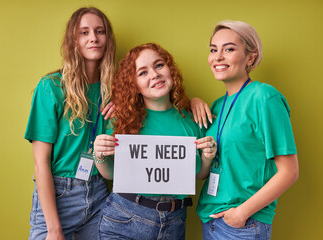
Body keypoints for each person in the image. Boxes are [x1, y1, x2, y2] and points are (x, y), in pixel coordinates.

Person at [92, 43, 217, 240]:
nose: (154, 75)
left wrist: (208, 158)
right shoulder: (121, 120)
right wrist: (98, 154)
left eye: (159, 65)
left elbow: (199, 175)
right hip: (125, 218)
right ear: (134, 85)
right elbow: (111, 174)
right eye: (142, 73)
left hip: (174, 222)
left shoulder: (193, 120)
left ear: (170, 70)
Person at [196, 20, 299, 240]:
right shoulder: (215, 106)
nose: (218, 57)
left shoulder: (264, 97)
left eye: (229, 49)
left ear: (250, 57)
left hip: (243, 224)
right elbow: (204, 172)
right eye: (213, 50)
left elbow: (289, 171)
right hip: (211, 219)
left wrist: (241, 214)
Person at [24, 7, 116, 240]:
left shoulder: (114, 90)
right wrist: (53, 228)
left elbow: (158, 101)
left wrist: (193, 102)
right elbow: (40, 162)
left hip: (99, 192)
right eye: (84, 32)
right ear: (73, 41)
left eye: (100, 31)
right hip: (59, 194)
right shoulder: (51, 87)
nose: (93, 37)